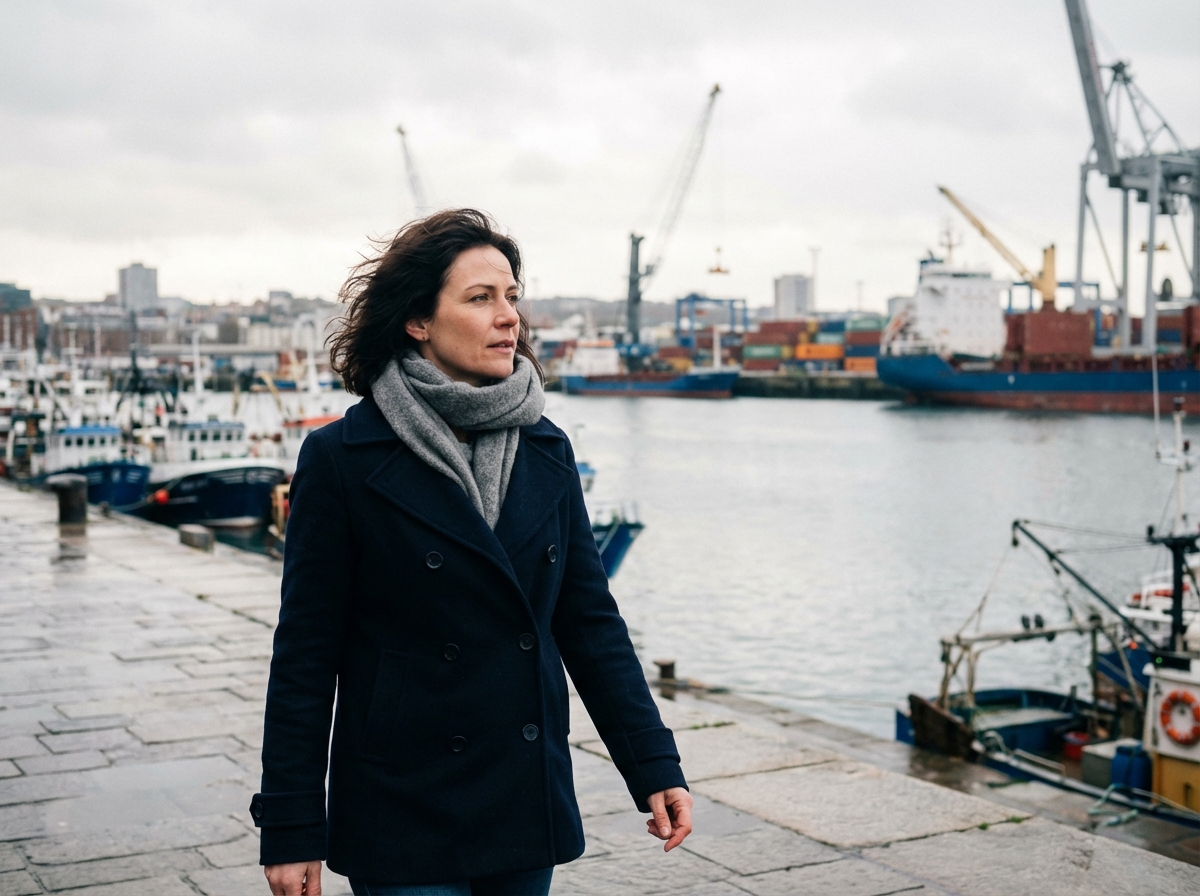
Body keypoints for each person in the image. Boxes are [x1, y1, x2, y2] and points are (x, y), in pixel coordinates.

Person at [253, 209, 692, 896]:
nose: (508, 316)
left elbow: (589, 623)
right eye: (480, 298)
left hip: (521, 794)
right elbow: (306, 655)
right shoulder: (342, 459)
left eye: (512, 296)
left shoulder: (546, 448)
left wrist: (653, 764)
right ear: (417, 320)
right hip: (401, 800)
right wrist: (291, 826)